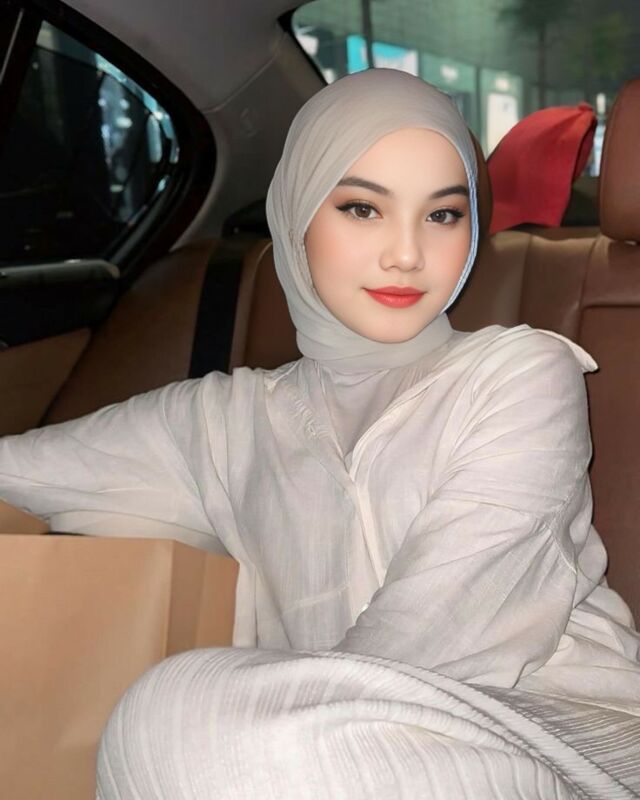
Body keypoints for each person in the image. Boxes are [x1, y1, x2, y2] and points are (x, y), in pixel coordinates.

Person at [1, 69, 639, 798]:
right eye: (363, 209)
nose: (407, 254)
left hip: (559, 738)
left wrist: (260, 720)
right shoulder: (224, 420)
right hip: (318, 744)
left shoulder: (520, 374)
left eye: (442, 214)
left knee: (179, 713)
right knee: (186, 719)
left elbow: (439, 632)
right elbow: (24, 467)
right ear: (296, 215)